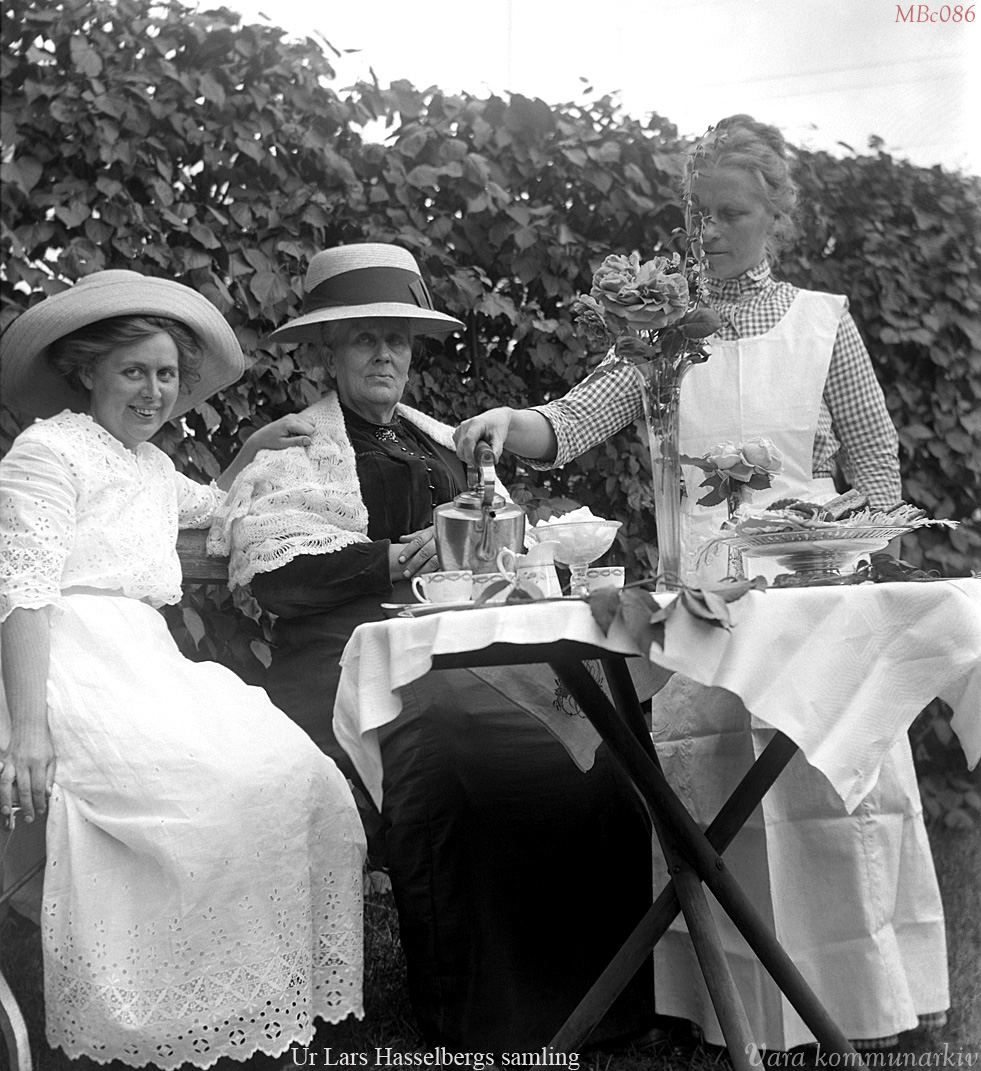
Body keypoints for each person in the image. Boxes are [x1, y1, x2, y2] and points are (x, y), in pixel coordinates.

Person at [453, 115, 949, 1051]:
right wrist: (507, 418)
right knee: (716, 779)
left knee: (827, 789)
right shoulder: (658, 333)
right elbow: (570, 423)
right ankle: (728, 1012)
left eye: (732, 213)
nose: (711, 231)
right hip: (703, 594)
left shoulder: (822, 322)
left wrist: (847, 544)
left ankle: (865, 1006)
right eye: (698, 214)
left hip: (808, 592)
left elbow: (876, 463)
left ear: (775, 216)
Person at [207, 242, 658, 1055]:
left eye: (398, 340)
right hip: (347, 665)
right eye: (364, 338)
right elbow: (277, 579)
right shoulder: (293, 444)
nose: (385, 355)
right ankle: (485, 1014)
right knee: (449, 748)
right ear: (329, 350)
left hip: (460, 654)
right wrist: (392, 557)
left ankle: (601, 998)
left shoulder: (438, 443)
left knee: (589, 739)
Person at [0, 270, 366, 1068]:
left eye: (167, 374)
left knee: (297, 773)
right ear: (85, 368)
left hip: (146, 660)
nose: (154, 391)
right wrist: (26, 727)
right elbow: (22, 588)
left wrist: (250, 451)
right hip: (68, 660)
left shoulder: (149, 466)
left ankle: (240, 998)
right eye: (134, 371)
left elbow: (212, 505)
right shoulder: (47, 450)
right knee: (197, 793)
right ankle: (157, 1011)